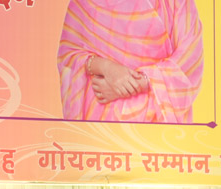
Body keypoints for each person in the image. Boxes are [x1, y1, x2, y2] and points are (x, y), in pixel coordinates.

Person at [57, 0, 204, 123]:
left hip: (158, 116)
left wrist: (137, 84)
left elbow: (191, 57)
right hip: (101, 115)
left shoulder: (176, 3)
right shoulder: (84, 3)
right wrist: (106, 67)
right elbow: (69, 55)